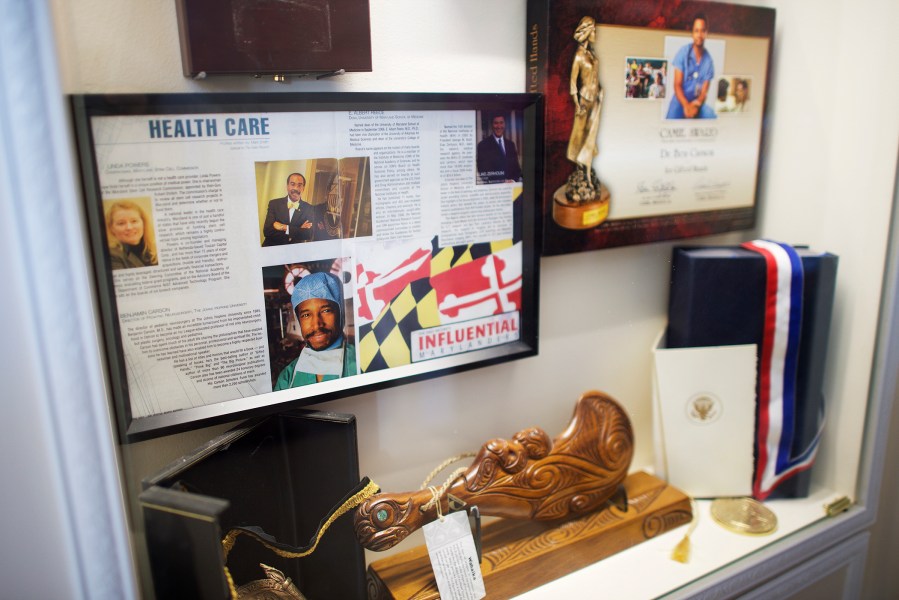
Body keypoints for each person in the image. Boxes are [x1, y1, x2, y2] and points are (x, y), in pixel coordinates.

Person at [274, 271, 356, 389]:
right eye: (306, 315)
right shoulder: (288, 378)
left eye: (326, 310)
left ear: (340, 313)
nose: (317, 325)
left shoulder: (362, 363)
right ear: (299, 320)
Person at [566, 15, 603, 186]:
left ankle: (586, 170)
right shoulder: (579, 56)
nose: (595, 32)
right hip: (585, 102)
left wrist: (601, 90)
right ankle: (585, 173)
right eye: (593, 29)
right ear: (587, 31)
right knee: (583, 137)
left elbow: (595, 77)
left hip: (595, 100)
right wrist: (577, 104)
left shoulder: (591, 54)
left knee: (592, 136)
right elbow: (573, 82)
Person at [666, 15, 716, 119]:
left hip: (696, 103)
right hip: (680, 100)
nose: (699, 35)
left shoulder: (709, 61)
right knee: (670, 122)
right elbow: (677, 85)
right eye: (696, 31)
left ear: (706, 33)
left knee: (711, 116)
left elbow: (704, 92)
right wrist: (686, 105)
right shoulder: (683, 53)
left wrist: (696, 105)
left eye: (702, 31)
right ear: (692, 33)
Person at [262, 172, 319, 246]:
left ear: (303, 188)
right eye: (292, 184)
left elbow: (309, 234)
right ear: (287, 186)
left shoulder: (309, 208)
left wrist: (284, 227)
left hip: (293, 253)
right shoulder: (274, 204)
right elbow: (267, 231)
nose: (295, 188)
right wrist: (298, 230)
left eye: (299, 185)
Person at [105, 200, 157, 269]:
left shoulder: (153, 249)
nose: (129, 227)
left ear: (143, 223)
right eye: (121, 223)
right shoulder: (112, 255)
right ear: (111, 228)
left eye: (134, 221)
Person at [476, 115, 523, 184]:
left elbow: (517, 169)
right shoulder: (483, 145)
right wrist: (502, 181)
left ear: (505, 124)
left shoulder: (511, 144)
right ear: (492, 125)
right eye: (496, 123)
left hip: (512, 187)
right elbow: (483, 171)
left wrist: (512, 180)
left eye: (501, 123)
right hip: (494, 188)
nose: (499, 126)